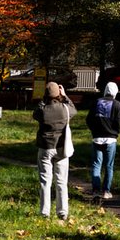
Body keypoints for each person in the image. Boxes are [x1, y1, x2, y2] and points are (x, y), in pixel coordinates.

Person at [33, 81, 77, 221]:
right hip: (61, 148)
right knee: (61, 181)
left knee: (45, 181)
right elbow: (74, 110)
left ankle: (45, 212)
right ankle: (62, 211)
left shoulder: (42, 110)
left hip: (45, 147)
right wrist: (65, 96)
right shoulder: (65, 109)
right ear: (58, 93)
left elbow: (35, 113)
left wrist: (43, 99)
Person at [85, 79, 120, 202]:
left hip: (97, 138)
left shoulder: (96, 102)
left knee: (96, 165)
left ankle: (96, 191)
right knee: (109, 166)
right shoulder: (117, 104)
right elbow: (119, 123)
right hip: (111, 139)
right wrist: (116, 132)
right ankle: (106, 191)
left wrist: (94, 131)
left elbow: (89, 119)